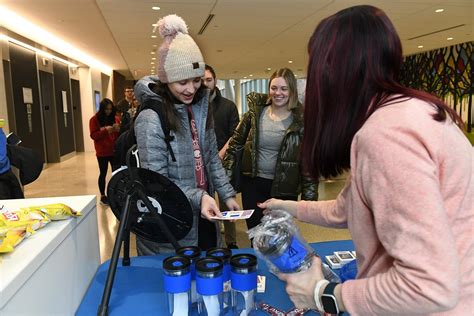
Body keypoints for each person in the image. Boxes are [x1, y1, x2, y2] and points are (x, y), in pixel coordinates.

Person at [259, 5, 473, 315]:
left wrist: (325, 293)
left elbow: (430, 286)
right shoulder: (414, 111)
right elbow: (348, 208)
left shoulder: (386, 135)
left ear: (331, 71)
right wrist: (286, 206)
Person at [134, 14, 240, 254]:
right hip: (172, 219)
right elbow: (156, 181)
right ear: (166, 80)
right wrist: (198, 196)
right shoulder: (151, 118)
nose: (191, 89)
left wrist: (227, 194)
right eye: (182, 82)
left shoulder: (201, 108)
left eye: (196, 80)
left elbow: (212, 158)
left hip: (205, 211)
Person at [223, 68, 319, 233]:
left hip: (284, 189)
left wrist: (309, 200)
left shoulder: (302, 120)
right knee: (256, 235)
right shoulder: (254, 114)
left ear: (292, 91)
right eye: (274, 88)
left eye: (283, 88)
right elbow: (234, 147)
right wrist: (227, 188)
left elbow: (309, 162)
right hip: (253, 186)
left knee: (280, 238)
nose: (278, 93)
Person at [203, 64, 240, 249]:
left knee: (227, 202)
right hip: (200, 165)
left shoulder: (228, 106)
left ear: (215, 81)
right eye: (201, 80)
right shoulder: (193, 106)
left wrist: (219, 155)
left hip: (224, 163)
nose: (205, 84)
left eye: (209, 80)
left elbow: (236, 135)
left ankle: (231, 242)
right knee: (206, 203)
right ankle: (211, 241)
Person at [89, 98, 120, 205]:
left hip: (114, 150)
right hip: (102, 151)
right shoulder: (94, 119)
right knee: (103, 173)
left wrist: (117, 129)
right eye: (106, 109)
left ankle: (116, 193)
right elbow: (94, 135)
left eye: (110, 109)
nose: (108, 112)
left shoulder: (115, 118)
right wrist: (106, 131)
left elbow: (119, 135)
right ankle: (103, 195)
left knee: (116, 173)